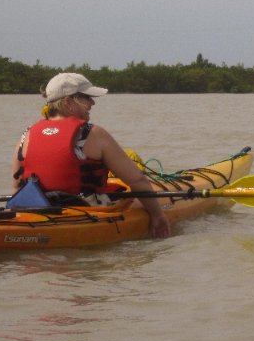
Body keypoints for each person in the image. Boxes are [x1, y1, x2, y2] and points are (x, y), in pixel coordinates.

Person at [11, 72, 171, 238]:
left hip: (34, 209)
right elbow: (137, 180)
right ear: (68, 102)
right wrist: (157, 215)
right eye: (87, 98)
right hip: (84, 210)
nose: (93, 103)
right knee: (138, 202)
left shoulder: (27, 134)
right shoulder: (92, 133)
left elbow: (17, 186)